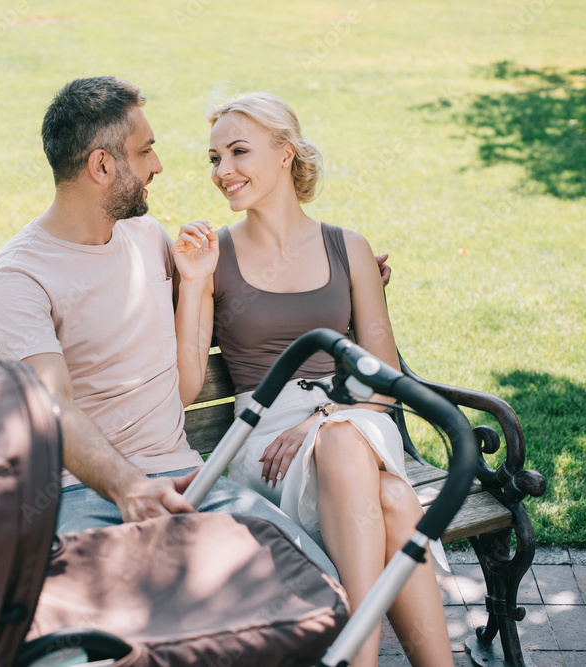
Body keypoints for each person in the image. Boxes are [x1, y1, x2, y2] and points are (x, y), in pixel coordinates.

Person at [0, 76, 337, 573]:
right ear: (102, 166)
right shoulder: (20, 275)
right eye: (145, 150)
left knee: (314, 578)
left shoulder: (147, 238)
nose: (158, 165)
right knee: (108, 606)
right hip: (81, 494)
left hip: (191, 480)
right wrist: (128, 486)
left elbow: (223, 301)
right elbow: (51, 404)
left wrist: (346, 276)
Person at [172, 91, 452, 666]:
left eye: (238, 152)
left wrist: (323, 420)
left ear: (285, 154)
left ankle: (356, 659)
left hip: (358, 419)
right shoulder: (215, 257)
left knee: (342, 442)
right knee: (394, 500)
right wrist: (193, 284)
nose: (222, 171)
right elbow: (183, 389)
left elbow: (386, 379)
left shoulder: (348, 247)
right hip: (265, 442)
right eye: (214, 158)